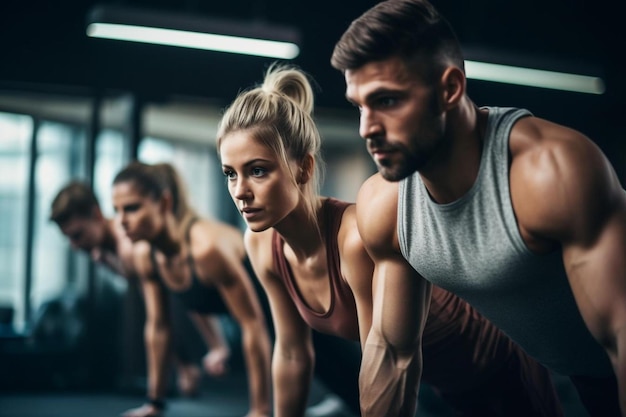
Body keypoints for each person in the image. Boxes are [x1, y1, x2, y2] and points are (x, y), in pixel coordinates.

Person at [216, 63, 565, 417]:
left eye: (257, 170)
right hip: (429, 383)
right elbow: (292, 352)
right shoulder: (261, 246)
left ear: (303, 168)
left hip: (492, 365)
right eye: (230, 174)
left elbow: (383, 362)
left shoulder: (353, 239)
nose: (240, 191)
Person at [331, 1, 626, 415]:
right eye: (359, 106)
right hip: (588, 374)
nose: (367, 128)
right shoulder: (385, 206)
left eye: (388, 101)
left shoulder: (550, 173)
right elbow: (392, 355)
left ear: (449, 89)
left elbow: (620, 333)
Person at [111, 161, 272, 417]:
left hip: (298, 319)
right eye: (116, 210)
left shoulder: (205, 248)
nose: (121, 221)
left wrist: (260, 411)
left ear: (164, 203)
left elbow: (252, 324)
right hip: (270, 333)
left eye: (131, 208)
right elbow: (158, 327)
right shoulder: (146, 256)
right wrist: (155, 404)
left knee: (353, 396)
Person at [49, 180, 231, 398]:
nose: (75, 246)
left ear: (96, 215)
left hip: (219, 281)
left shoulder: (129, 246)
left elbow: (183, 293)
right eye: (69, 238)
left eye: (78, 235)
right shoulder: (103, 252)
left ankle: (215, 350)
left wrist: (214, 347)